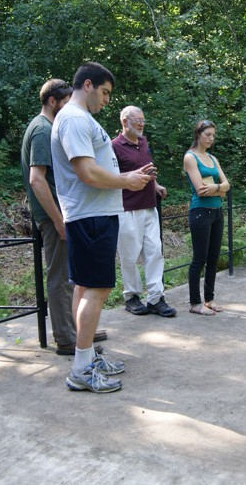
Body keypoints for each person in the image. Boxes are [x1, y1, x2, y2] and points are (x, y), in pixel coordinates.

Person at [51, 62, 152, 393]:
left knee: (85, 288)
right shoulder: (75, 119)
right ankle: (81, 370)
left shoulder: (78, 118)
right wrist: (127, 180)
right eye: (105, 92)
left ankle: (87, 357)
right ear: (88, 85)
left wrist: (128, 179)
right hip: (91, 216)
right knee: (96, 290)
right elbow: (87, 173)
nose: (108, 100)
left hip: (92, 215)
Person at [21, 78, 107, 355]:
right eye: (66, 101)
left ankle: (80, 329)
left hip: (63, 213)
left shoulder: (49, 127)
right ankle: (67, 337)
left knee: (74, 276)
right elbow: (36, 179)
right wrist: (58, 221)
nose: (71, 106)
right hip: (53, 217)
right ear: (52, 101)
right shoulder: (42, 130)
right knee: (60, 278)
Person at [112, 106, 176, 318]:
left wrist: (155, 184)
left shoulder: (143, 142)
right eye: (137, 120)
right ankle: (131, 297)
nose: (141, 124)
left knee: (155, 252)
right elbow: (110, 177)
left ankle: (156, 298)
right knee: (129, 256)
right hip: (127, 208)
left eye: (143, 120)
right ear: (125, 121)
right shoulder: (114, 146)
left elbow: (147, 169)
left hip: (149, 206)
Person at [183, 119, 231, 315]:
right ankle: (195, 303)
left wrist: (216, 188)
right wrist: (219, 189)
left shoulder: (212, 158)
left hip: (217, 212)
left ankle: (209, 299)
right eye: (207, 135)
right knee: (199, 259)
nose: (211, 138)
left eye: (213, 135)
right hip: (200, 212)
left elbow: (226, 186)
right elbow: (200, 191)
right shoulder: (190, 157)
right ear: (198, 135)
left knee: (213, 258)